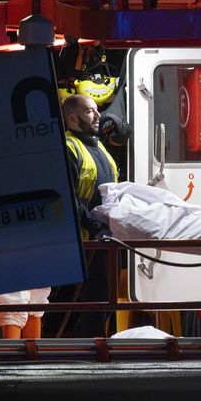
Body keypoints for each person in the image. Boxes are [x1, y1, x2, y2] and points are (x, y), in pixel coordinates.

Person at [63, 94, 119, 337]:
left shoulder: (98, 146)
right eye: (90, 112)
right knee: (89, 302)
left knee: (103, 299)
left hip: (104, 239)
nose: (98, 115)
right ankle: (85, 356)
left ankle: (91, 351)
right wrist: (94, 226)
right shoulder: (68, 148)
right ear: (73, 118)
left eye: (97, 110)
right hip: (84, 241)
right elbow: (68, 197)